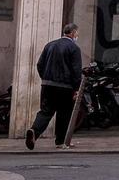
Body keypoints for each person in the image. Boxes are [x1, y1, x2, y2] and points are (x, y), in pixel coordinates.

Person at [24, 22, 84, 150]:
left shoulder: (49, 45)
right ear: (73, 33)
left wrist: (46, 78)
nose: (77, 35)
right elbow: (76, 71)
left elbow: (40, 65)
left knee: (45, 112)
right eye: (77, 33)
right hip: (65, 86)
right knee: (65, 113)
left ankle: (34, 131)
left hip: (47, 85)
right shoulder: (74, 48)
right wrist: (76, 89)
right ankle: (60, 141)